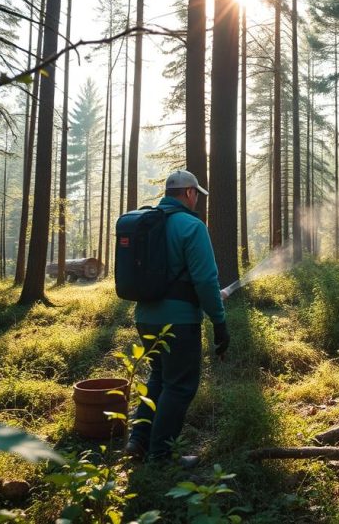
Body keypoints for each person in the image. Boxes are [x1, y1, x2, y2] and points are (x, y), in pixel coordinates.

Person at [125, 170, 229, 467]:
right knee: (180, 386)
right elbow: (206, 280)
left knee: (159, 376)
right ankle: (161, 456)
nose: (197, 200)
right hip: (179, 322)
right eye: (196, 194)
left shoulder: (147, 222)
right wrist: (219, 322)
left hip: (145, 318)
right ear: (188, 193)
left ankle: (138, 441)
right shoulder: (192, 227)